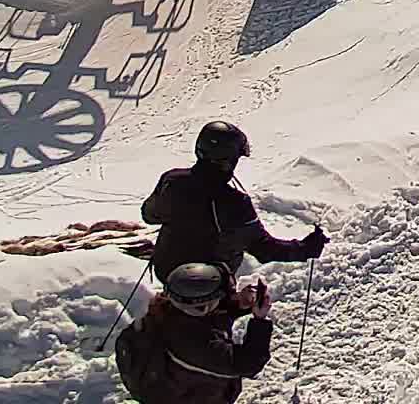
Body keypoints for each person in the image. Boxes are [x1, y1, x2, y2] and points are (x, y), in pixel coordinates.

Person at [143, 121, 326, 283]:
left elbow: (149, 215)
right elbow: (264, 249)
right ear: (228, 160)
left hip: (167, 273)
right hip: (209, 285)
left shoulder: (171, 179)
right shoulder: (234, 202)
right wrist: (304, 249)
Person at [112, 261, 276, 404]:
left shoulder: (167, 309)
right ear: (203, 307)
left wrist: (238, 305)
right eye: (219, 297)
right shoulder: (196, 344)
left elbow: (205, 315)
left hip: (165, 387)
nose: (223, 300)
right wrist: (259, 321)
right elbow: (247, 363)